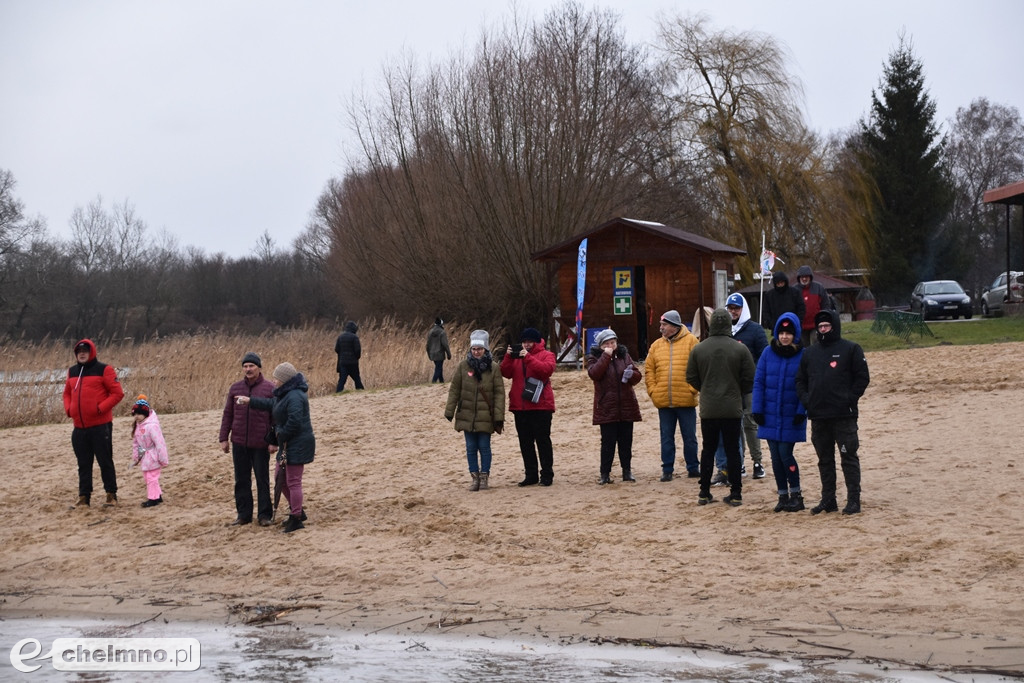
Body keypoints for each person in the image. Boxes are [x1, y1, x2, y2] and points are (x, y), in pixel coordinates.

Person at [795, 310, 870, 515]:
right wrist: (807, 401)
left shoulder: (851, 349)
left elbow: (862, 378)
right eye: (820, 327)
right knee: (825, 460)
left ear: (834, 326)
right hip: (819, 416)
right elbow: (800, 380)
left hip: (844, 416)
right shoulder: (810, 353)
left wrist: (849, 398)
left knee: (848, 457)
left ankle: (853, 499)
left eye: (827, 326)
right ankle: (828, 499)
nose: (823, 329)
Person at [686, 308, 755, 507]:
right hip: (732, 407)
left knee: (708, 449)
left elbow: (690, 376)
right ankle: (735, 493)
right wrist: (736, 390)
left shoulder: (699, 349)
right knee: (733, 450)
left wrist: (705, 388)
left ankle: (704, 491)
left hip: (709, 408)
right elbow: (750, 378)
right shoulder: (739, 348)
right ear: (728, 324)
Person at [237, 362, 316, 533]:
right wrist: (250, 401)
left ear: (285, 380)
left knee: (293, 481)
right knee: (280, 478)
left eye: (277, 378)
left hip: (297, 444)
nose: (274, 380)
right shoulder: (284, 394)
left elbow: (294, 421)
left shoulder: (295, 396)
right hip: (287, 443)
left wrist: (280, 435)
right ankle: (297, 510)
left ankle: (296, 518)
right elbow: (270, 404)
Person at [751, 313, 807, 512]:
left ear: (795, 335)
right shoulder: (768, 353)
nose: (784, 337)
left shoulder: (803, 355)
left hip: (791, 415)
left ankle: (796, 494)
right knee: (775, 457)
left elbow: (807, 385)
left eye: (789, 333)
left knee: (786, 454)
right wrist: (756, 408)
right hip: (769, 414)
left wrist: (802, 411)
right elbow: (759, 382)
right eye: (781, 333)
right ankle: (782, 495)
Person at [712, 293, 768, 482]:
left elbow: (763, 356)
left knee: (750, 423)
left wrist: (756, 375)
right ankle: (740, 462)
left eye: (736, 308)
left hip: (750, 386)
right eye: (730, 308)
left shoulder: (755, 330)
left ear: (743, 309)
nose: (733, 311)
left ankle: (757, 461)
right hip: (730, 386)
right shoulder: (724, 331)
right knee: (735, 426)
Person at [63, 338, 125, 508]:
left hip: (100, 426)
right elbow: (66, 394)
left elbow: (118, 393)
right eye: (79, 351)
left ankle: (111, 495)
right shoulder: (72, 372)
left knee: (105, 461)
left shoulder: (104, 369)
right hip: (79, 427)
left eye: (85, 351)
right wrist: (69, 410)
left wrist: (100, 408)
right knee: (83, 464)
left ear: (92, 352)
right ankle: (84, 497)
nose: (82, 353)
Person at [219, 352, 276, 527]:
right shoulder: (235, 388)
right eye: (245, 366)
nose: (248, 369)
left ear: (259, 367)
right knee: (241, 480)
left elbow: (275, 416)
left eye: (251, 366)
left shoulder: (270, 388)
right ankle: (243, 515)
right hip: (239, 442)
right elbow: (228, 414)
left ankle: (264, 515)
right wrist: (223, 437)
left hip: (260, 443)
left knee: (262, 479)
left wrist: (274, 441)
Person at [445, 330, 505, 491]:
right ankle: (474, 478)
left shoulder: (494, 368)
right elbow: (455, 389)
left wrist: (499, 416)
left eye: (479, 348)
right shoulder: (463, 367)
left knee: (484, 447)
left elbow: (499, 393)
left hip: (486, 415)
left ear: (485, 349)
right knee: (470, 447)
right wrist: (449, 411)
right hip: (466, 414)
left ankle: (484, 477)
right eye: (474, 349)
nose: (476, 351)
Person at [644, 309, 700, 481]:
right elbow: (649, 370)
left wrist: (692, 389)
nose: (661, 327)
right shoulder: (656, 345)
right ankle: (667, 469)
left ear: (674, 326)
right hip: (664, 401)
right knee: (666, 437)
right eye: (661, 324)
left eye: (664, 324)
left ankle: (693, 467)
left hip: (686, 400)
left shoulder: (692, 342)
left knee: (689, 437)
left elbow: (699, 367)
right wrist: (653, 391)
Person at [501, 327, 557, 486]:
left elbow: (545, 371)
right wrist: (508, 356)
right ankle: (531, 475)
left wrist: (528, 358)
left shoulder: (547, 355)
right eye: (524, 341)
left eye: (529, 341)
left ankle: (547, 474)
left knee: (543, 441)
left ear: (537, 341)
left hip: (541, 406)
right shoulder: (516, 357)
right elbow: (505, 372)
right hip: (520, 407)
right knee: (525, 443)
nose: (526, 344)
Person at [585, 328, 643, 484]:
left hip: (626, 404)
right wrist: (606, 356)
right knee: (608, 443)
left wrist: (632, 375)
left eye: (613, 342)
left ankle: (627, 471)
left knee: (626, 441)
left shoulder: (625, 356)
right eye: (606, 343)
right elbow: (594, 374)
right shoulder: (594, 358)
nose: (610, 345)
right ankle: (605, 474)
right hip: (606, 406)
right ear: (601, 346)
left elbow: (638, 376)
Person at [129, 395, 170, 508]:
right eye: (135, 414)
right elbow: (136, 444)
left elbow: (160, 443)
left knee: (152, 477)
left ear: (145, 414)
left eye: (139, 414)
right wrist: (137, 458)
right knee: (148, 477)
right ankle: (157, 496)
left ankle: (153, 499)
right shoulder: (138, 427)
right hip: (145, 458)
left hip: (153, 456)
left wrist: (163, 459)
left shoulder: (152, 426)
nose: (136, 417)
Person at [795, 265, 833, 343]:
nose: (804, 279)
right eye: (802, 277)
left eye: (806, 276)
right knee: (804, 347)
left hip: (816, 324)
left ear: (810, 277)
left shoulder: (819, 287)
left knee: (816, 343)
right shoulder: (794, 290)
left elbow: (826, 304)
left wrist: (823, 318)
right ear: (799, 278)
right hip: (801, 325)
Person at [335, 321, 364, 391]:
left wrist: (342, 356)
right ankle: (360, 391)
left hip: (343, 363)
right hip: (353, 362)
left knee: (342, 380)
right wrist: (357, 358)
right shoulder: (355, 337)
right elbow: (357, 350)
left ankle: (338, 393)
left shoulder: (340, 337)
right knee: (357, 379)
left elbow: (336, 349)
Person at [427, 318, 452, 384]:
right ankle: (433, 382)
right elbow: (445, 344)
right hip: (440, 353)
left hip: (432, 353)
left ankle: (441, 381)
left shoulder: (430, 332)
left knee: (439, 367)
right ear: (441, 324)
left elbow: (427, 345)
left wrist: (429, 354)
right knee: (438, 368)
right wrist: (449, 354)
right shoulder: (442, 332)